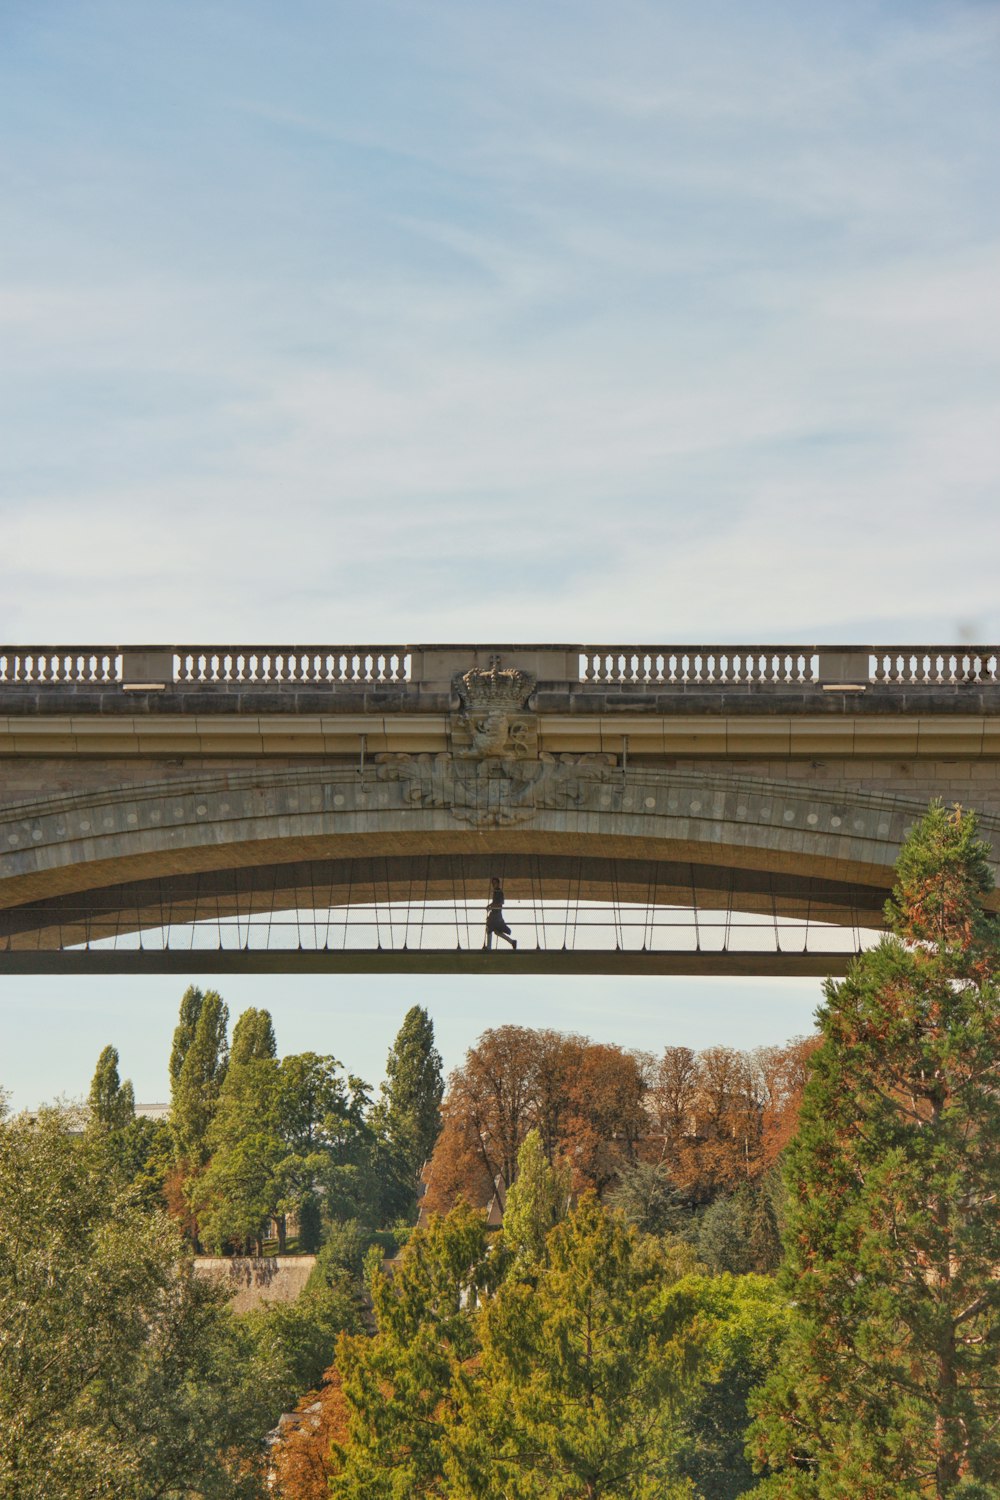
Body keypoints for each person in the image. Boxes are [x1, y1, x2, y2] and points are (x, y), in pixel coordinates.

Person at [484, 875, 517, 950]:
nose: (493, 885)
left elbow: (500, 903)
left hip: (496, 914)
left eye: (494, 883)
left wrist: (491, 906)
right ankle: (512, 942)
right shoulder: (496, 892)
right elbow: (495, 902)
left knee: (489, 927)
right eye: (493, 883)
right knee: (497, 931)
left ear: (498, 883)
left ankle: (489, 947)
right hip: (496, 914)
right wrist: (490, 905)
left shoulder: (499, 892)